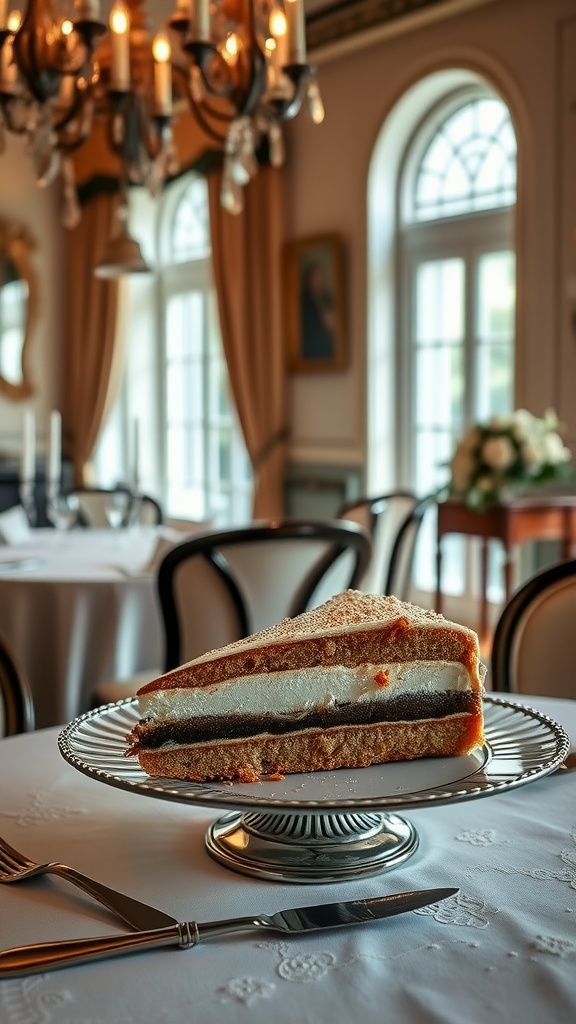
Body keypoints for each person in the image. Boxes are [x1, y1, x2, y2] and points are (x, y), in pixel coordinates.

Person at [300, 258, 336, 360]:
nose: (318, 280)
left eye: (320, 277)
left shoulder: (327, 298)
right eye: (315, 277)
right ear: (309, 279)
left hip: (327, 350)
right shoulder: (304, 301)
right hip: (312, 351)